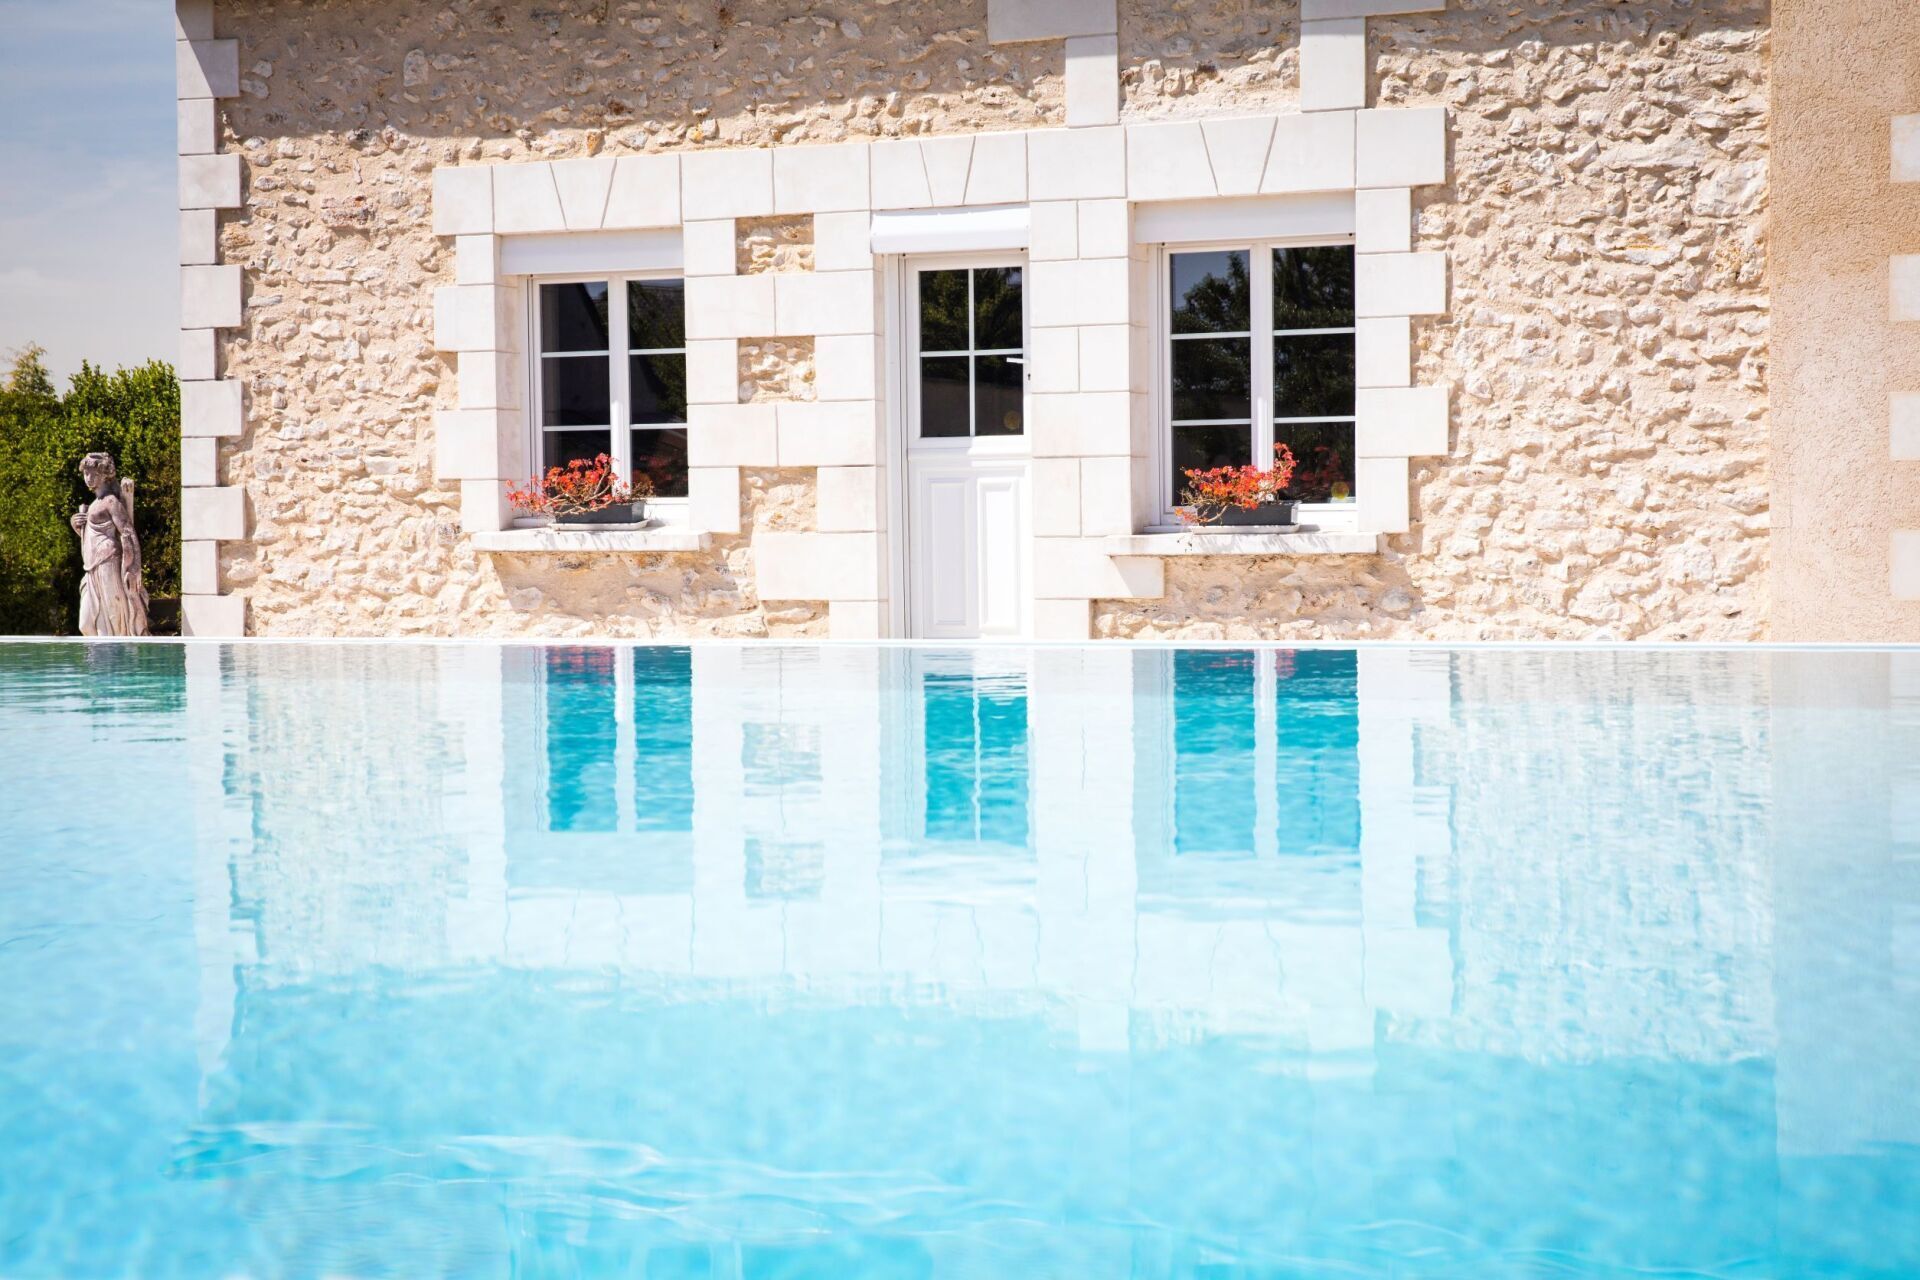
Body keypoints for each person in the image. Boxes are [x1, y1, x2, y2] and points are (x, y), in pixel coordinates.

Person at [68, 452, 150, 638]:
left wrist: (134, 568)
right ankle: (104, 659)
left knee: (113, 618)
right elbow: (92, 537)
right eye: (86, 473)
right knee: (86, 623)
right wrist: (77, 525)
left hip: (108, 564)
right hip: (92, 568)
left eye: (93, 474)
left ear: (105, 475)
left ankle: (112, 661)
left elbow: (127, 532)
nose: (88, 478)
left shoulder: (110, 501)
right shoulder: (94, 503)